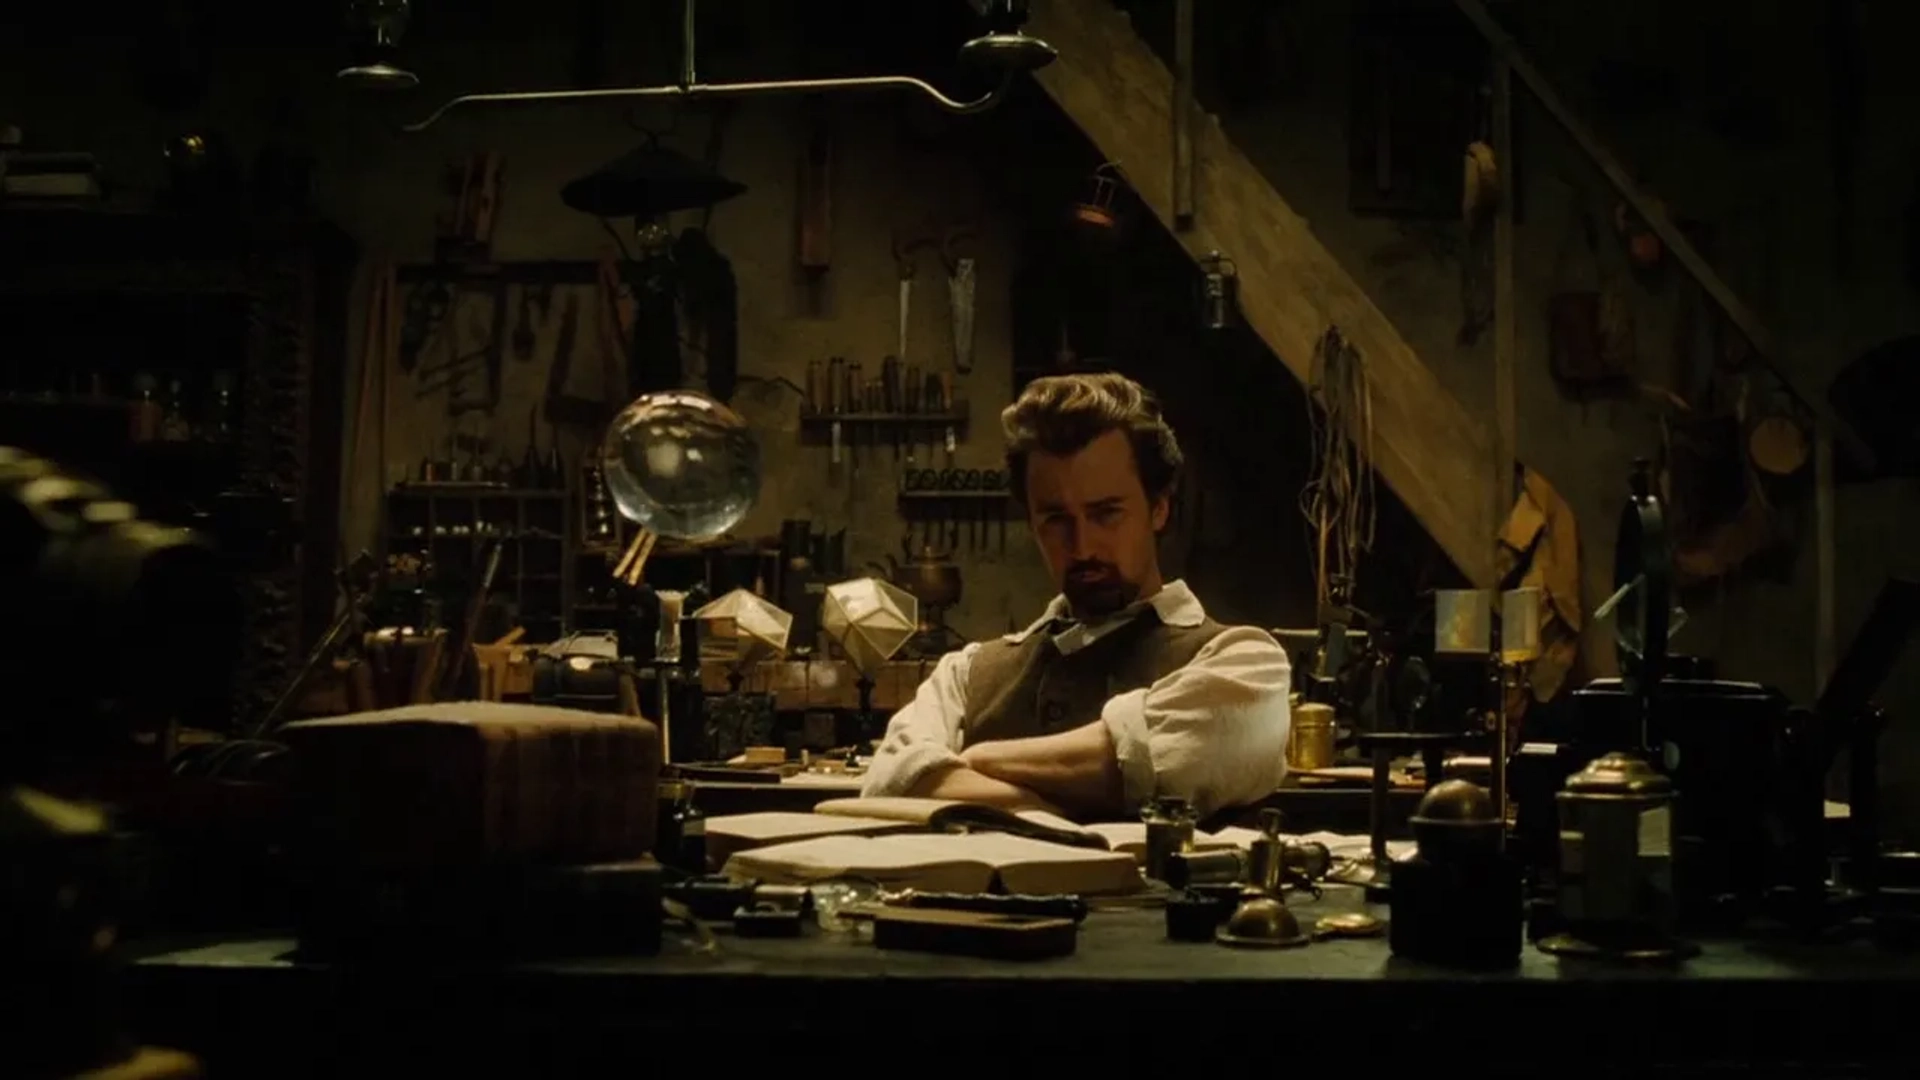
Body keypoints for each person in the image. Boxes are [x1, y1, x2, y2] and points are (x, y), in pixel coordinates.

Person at [861, 372, 1293, 821]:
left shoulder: (1242, 663)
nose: (1083, 547)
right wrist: (1048, 812)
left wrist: (976, 760)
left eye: (1106, 514)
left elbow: (1152, 759)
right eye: (1056, 519)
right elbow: (892, 780)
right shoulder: (967, 674)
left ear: (1159, 508)